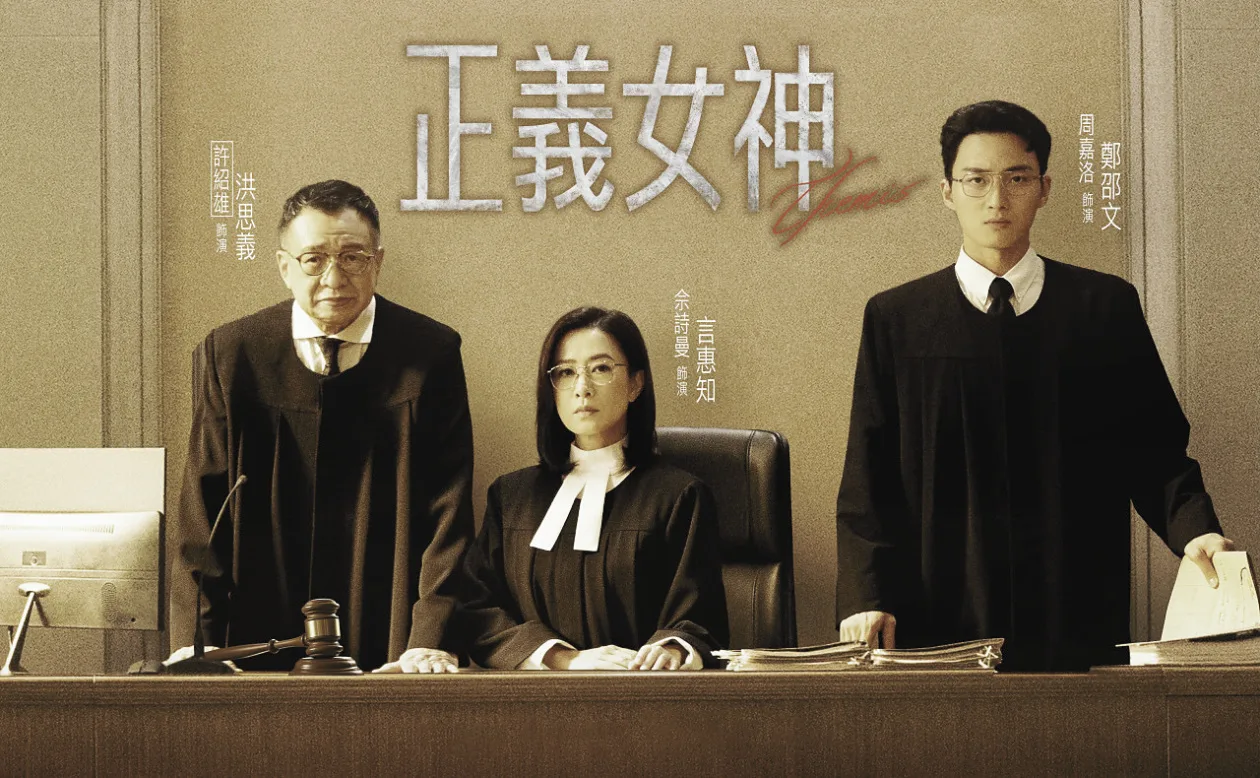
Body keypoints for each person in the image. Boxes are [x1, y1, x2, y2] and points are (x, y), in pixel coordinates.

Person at [834, 101, 1235, 671]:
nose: (996, 199)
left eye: (1017, 178)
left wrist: (1196, 532)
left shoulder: (1103, 309)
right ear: (948, 192)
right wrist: (866, 595)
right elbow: (868, 476)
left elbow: (1153, 450)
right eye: (976, 180)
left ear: (1044, 189)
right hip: (938, 607)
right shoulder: (898, 320)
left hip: (1072, 601)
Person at [171, 179, 473, 673]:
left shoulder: (430, 354)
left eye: (353, 257)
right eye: (314, 259)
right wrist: (198, 645)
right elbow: (202, 513)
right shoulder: (232, 355)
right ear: (284, 267)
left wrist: (429, 640)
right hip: (260, 605)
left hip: (389, 612)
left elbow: (450, 511)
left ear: (377, 262)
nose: (334, 278)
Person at [459, 306, 728, 670]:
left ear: (635, 384)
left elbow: (700, 618)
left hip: (641, 691)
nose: (582, 388)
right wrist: (565, 658)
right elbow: (477, 610)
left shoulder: (679, 497)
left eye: (600, 368)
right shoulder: (511, 498)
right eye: (566, 372)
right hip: (534, 697)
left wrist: (672, 651)